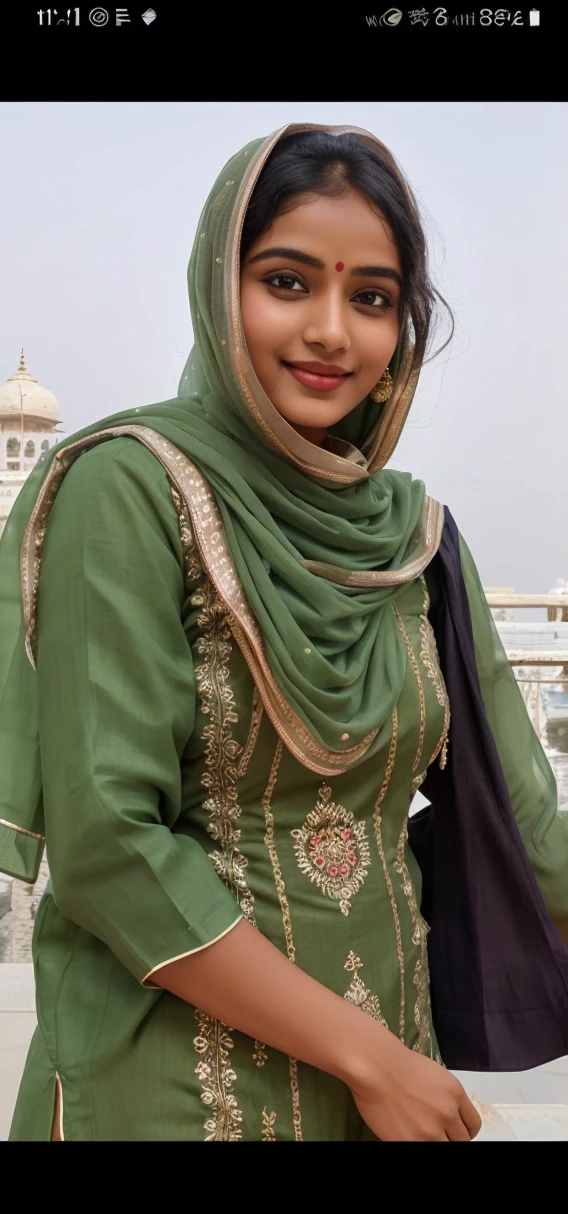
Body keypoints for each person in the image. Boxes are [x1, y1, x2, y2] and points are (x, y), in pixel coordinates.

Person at [2, 123, 567, 1143]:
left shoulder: (414, 537)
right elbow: (109, 846)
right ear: (220, 291)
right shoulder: (129, 488)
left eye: (372, 298)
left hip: (389, 1077)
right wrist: (367, 1054)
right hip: (175, 1077)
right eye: (287, 281)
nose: (331, 332)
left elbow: (527, 813)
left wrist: (388, 1061)